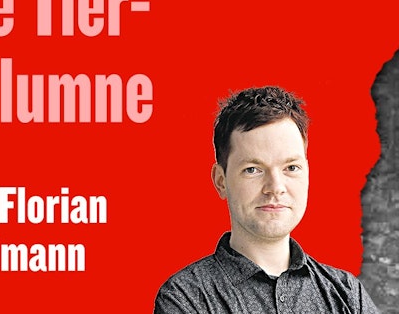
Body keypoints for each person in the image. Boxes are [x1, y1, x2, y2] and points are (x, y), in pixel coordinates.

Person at [155, 86, 377, 314]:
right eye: (253, 169)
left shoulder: (347, 293)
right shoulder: (186, 298)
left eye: (291, 167)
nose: (275, 188)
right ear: (221, 181)